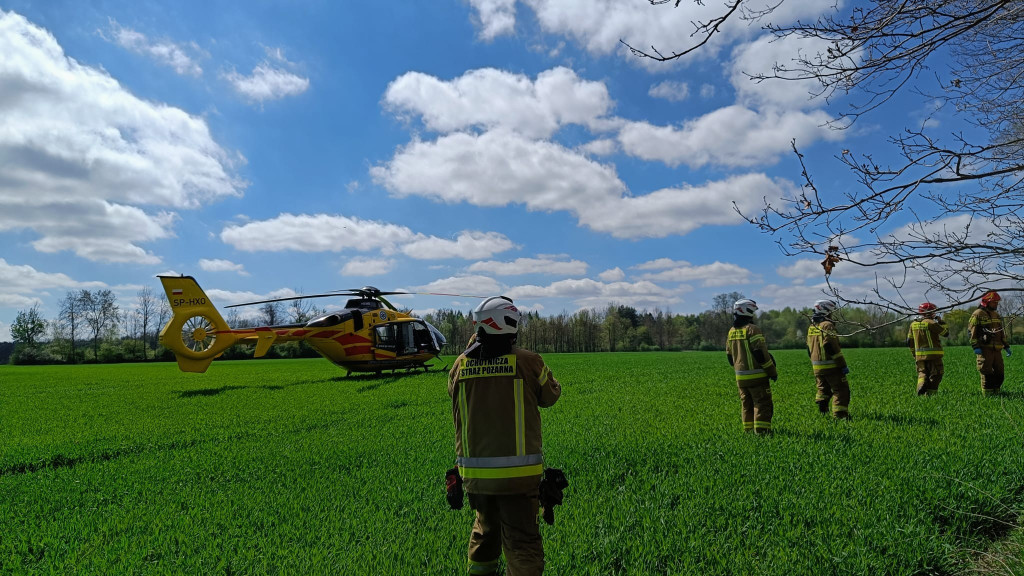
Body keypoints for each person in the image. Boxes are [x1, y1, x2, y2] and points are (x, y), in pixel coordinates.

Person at [448, 296, 562, 575]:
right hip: (519, 478)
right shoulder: (528, 361)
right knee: (523, 543)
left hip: (475, 478)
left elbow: (454, 393)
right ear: (509, 324)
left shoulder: (460, 365)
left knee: (484, 533)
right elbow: (551, 395)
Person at [726, 299, 777, 434]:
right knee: (762, 404)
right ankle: (762, 431)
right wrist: (772, 371)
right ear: (748, 311)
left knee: (746, 405)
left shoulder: (731, 331)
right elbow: (760, 353)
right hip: (757, 377)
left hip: (740, 378)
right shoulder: (752, 330)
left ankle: (748, 431)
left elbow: (730, 357)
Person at [806, 299, 851, 419]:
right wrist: (842, 365)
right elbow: (830, 346)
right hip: (831, 366)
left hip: (817, 367)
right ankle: (840, 416)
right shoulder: (827, 325)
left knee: (823, 390)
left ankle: (823, 412)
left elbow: (808, 348)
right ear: (827, 311)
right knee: (841, 390)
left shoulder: (812, 326)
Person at [970, 290, 1011, 396]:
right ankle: (988, 396)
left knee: (1000, 373)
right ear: (986, 302)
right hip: (984, 348)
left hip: (997, 349)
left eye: (997, 302)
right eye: (994, 302)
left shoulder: (996, 315)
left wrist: (1006, 345)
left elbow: (1000, 331)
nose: (996, 304)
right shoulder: (978, 314)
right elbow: (972, 331)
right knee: (986, 372)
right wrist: (975, 346)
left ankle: (997, 393)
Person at [906, 303, 949, 395]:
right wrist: (941, 322)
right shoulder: (931, 323)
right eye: (933, 311)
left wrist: (914, 354)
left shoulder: (913, 324)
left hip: (919, 356)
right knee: (937, 374)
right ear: (929, 312)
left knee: (922, 373)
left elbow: (909, 341)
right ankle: (930, 395)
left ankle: (920, 385)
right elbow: (945, 333)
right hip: (933, 355)